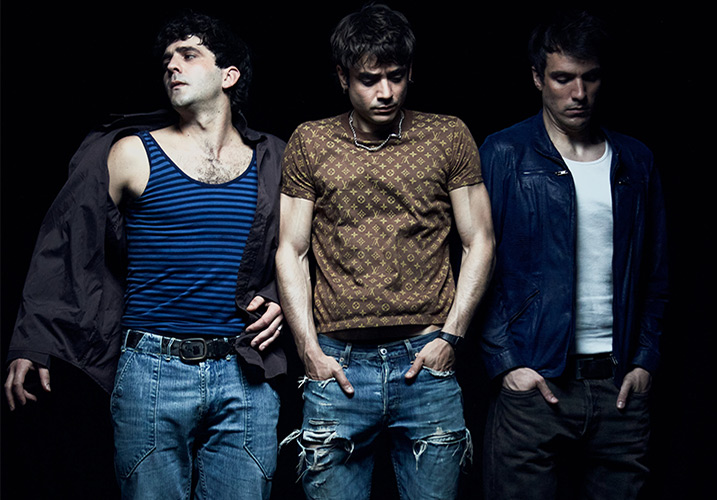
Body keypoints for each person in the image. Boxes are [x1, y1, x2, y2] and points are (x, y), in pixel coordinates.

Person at [4, 11, 287, 499]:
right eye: (167, 59)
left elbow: (304, 250)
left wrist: (279, 296)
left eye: (189, 55)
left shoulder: (275, 159)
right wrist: (31, 341)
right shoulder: (133, 153)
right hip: (152, 370)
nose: (172, 66)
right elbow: (66, 244)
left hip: (245, 373)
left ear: (229, 75)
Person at [275, 4, 495, 499]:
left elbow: (479, 239)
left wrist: (451, 338)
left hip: (426, 365)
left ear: (410, 72)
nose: (386, 92)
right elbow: (291, 249)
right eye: (369, 79)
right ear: (342, 77)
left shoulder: (448, 135)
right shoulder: (310, 141)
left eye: (396, 76)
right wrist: (309, 350)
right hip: (337, 365)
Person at [478, 10, 668, 500]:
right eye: (563, 78)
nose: (578, 93)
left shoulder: (635, 160)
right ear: (537, 78)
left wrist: (645, 361)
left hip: (619, 389)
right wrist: (506, 363)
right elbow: (476, 265)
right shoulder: (504, 154)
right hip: (535, 385)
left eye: (590, 77)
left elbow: (656, 274)